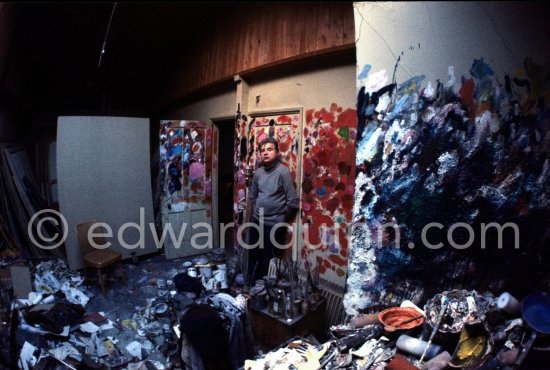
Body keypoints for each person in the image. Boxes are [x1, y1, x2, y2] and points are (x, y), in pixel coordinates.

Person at [246, 137, 299, 284]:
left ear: (277, 152)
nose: (265, 153)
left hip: (274, 225)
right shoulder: (258, 174)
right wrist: (256, 212)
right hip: (257, 222)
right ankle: (251, 288)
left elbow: (293, 202)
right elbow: (253, 196)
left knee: (269, 261)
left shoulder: (283, 172)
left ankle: (266, 292)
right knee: (253, 256)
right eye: (262, 150)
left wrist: (281, 218)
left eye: (269, 149)